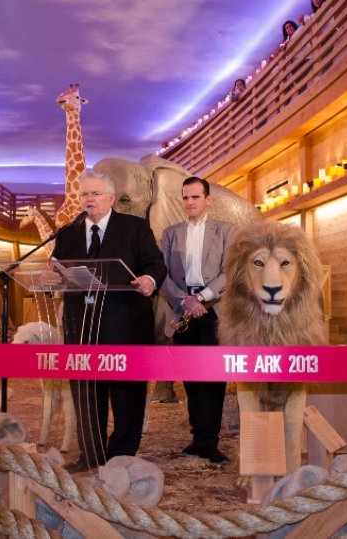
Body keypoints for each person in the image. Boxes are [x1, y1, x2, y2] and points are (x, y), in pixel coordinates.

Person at [41, 171, 166, 473]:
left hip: (126, 328)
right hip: (82, 328)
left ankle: (121, 458)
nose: (89, 199)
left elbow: (154, 263)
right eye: (85, 195)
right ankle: (92, 454)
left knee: (127, 397)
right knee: (86, 394)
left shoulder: (135, 228)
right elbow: (56, 270)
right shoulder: (68, 233)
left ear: (110, 198)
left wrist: (149, 280)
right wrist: (49, 278)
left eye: (95, 194)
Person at [160, 177, 235, 466]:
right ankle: (197, 438)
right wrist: (183, 301)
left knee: (213, 380)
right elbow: (161, 274)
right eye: (185, 198)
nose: (189, 202)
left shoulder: (226, 231)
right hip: (182, 312)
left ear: (208, 199)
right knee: (190, 380)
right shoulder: (170, 234)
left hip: (211, 312)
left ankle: (211, 443)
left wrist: (201, 299)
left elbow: (229, 272)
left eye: (195, 197)